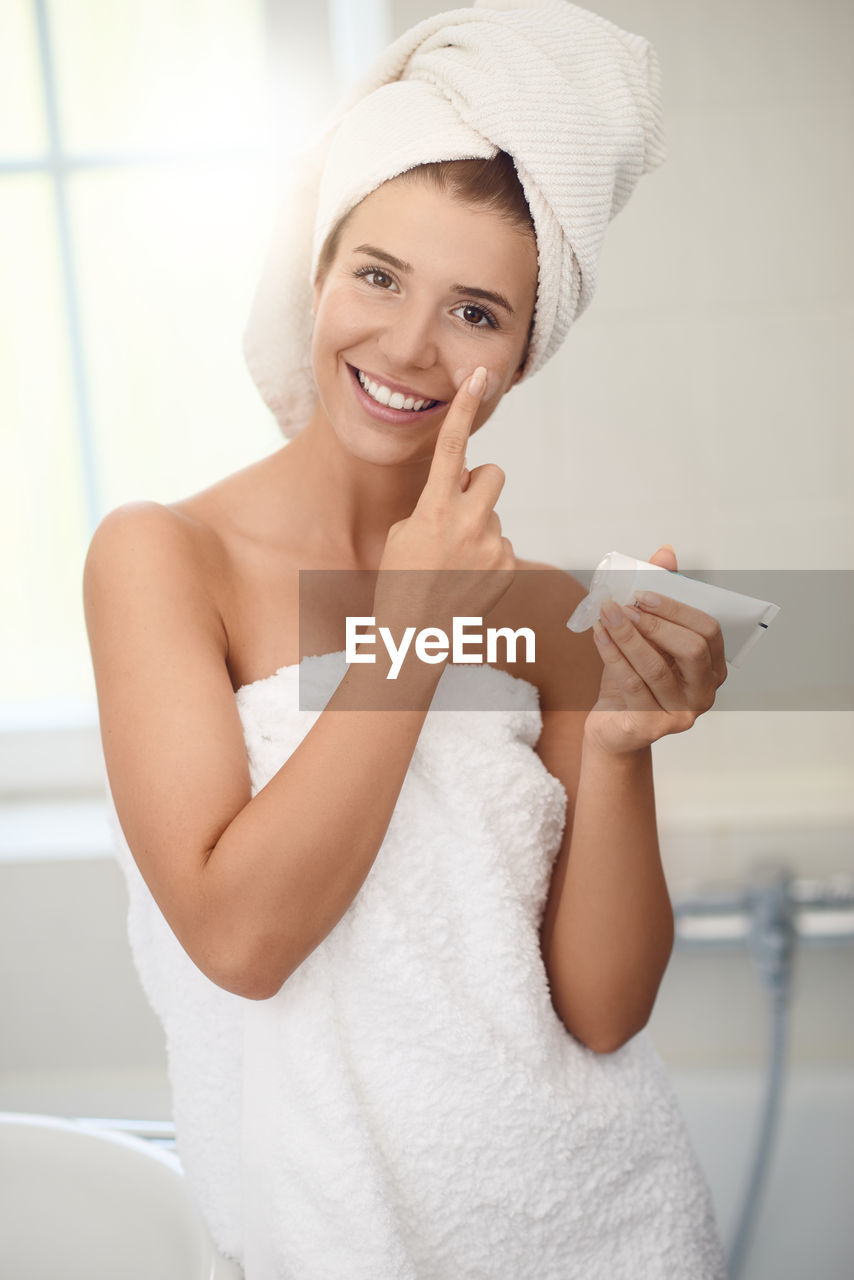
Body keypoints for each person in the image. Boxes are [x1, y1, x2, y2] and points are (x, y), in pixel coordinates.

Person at [83, 2, 730, 1277]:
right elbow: (240, 940)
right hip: (335, 1239)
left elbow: (601, 1010)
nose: (404, 344)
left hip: (596, 1229)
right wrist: (412, 631)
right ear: (317, 273)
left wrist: (616, 744)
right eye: (376, 276)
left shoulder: (546, 608)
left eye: (473, 311)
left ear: (520, 354)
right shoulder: (165, 559)